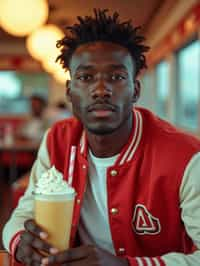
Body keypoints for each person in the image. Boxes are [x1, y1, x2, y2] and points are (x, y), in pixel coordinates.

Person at [2, 9, 200, 266]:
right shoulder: (58, 141)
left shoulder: (185, 156)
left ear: (135, 91)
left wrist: (125, 265)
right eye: (86, 77)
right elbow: (22, 215)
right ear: (70, 92)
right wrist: (20, 241)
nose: (100, 90)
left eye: (116, 77)